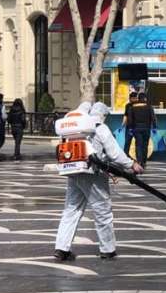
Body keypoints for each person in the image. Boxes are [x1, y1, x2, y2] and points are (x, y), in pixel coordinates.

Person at [54, 102, 143, 262]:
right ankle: (107, 249)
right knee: (102, 211)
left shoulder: (74, 130)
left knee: (71, 210)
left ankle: (61, 248)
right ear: (102, 115)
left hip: (73, 171)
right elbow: (115, 154)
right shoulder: (99, 128)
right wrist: (132, 164)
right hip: (92, 174)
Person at [128, 93, 156, 169]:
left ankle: (139, 161)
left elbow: (130, 119)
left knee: (138, 145)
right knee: (145, 145)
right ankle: (144, 162)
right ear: (145, 99)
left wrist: (130, 128)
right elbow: (153, 117)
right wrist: (154, 127)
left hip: (136, 129)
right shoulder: (149, 107)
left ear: (138, 98)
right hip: (146, 128)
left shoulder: (132, 107)